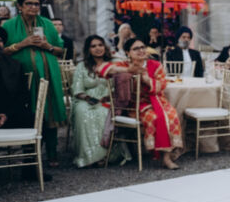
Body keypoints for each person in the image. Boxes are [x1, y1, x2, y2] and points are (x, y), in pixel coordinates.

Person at [2, 0, 66, 166]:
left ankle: (52, 152)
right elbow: (1, 51)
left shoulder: (47, 24)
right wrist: (22, 44)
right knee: (29, 113)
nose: (33, 7)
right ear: (20, 6)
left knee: (49, 112)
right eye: (29, 3)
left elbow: (61, 50)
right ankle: (30, 154)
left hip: (49, 76)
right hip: (22, 79)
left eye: (37, 4)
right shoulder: (8, 26)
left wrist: (47, 46)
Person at [99, 38, 183, 169]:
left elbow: (162, 84)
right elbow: (102, 69)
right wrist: (128, 70)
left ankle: (167, 157)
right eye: (136, 48)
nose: (141, 50)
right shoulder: (124, 65)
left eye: (143, 47)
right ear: (128, 52)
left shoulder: (155, 65)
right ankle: (157, 153)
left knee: (172, 115)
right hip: (135, 105)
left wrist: (147, 79)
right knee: (154, 117)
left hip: (157, 100)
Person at [69, 35, 116, 167]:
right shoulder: (82, 66)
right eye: (93, 46)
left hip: (108, 99)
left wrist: (109, 97)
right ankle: (87, 156)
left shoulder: (112, 65)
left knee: (103, 113)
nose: (98, 48)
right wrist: (88, 98)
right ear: (88, 49)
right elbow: (77, 88)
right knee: (83, 112)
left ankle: (105, 156)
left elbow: (118, 86)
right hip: (85, 99)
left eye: (100, 45)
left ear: (105, 47)